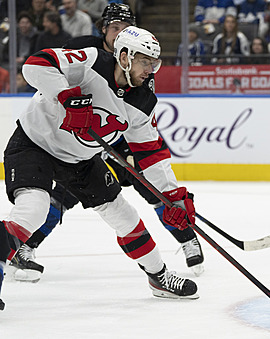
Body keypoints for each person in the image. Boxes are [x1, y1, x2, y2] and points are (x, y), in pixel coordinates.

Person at [0, 26, 200, 311]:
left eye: (154, 63)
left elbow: (152, 155)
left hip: (81, 159)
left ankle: (159, 277)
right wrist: (66, 95)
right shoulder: (91, 60)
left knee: (124, 215)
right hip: (35, 143)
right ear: (125, 56)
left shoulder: (143, 101)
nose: (150, 70)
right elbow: (35, 65)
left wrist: (173, 197)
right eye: (145, 61)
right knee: (34, 208)